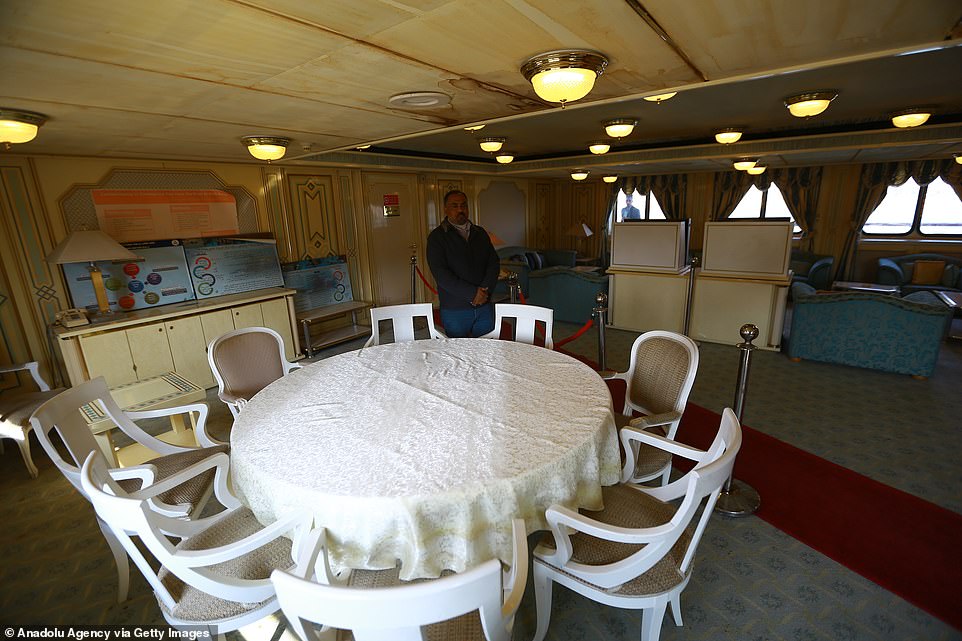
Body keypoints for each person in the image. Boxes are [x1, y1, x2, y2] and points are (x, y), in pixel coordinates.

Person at [427, 190, 500, 338]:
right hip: (455, 309)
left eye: (463, 205)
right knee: (457, 355)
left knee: (487, 353)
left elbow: (493, 263)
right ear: (445, 209)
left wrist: (484, 290)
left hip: (484, 306)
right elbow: (442, 275)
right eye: (454, 206)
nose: (460, 209)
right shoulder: (437, 237)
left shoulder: (480, 233)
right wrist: (472, 294)